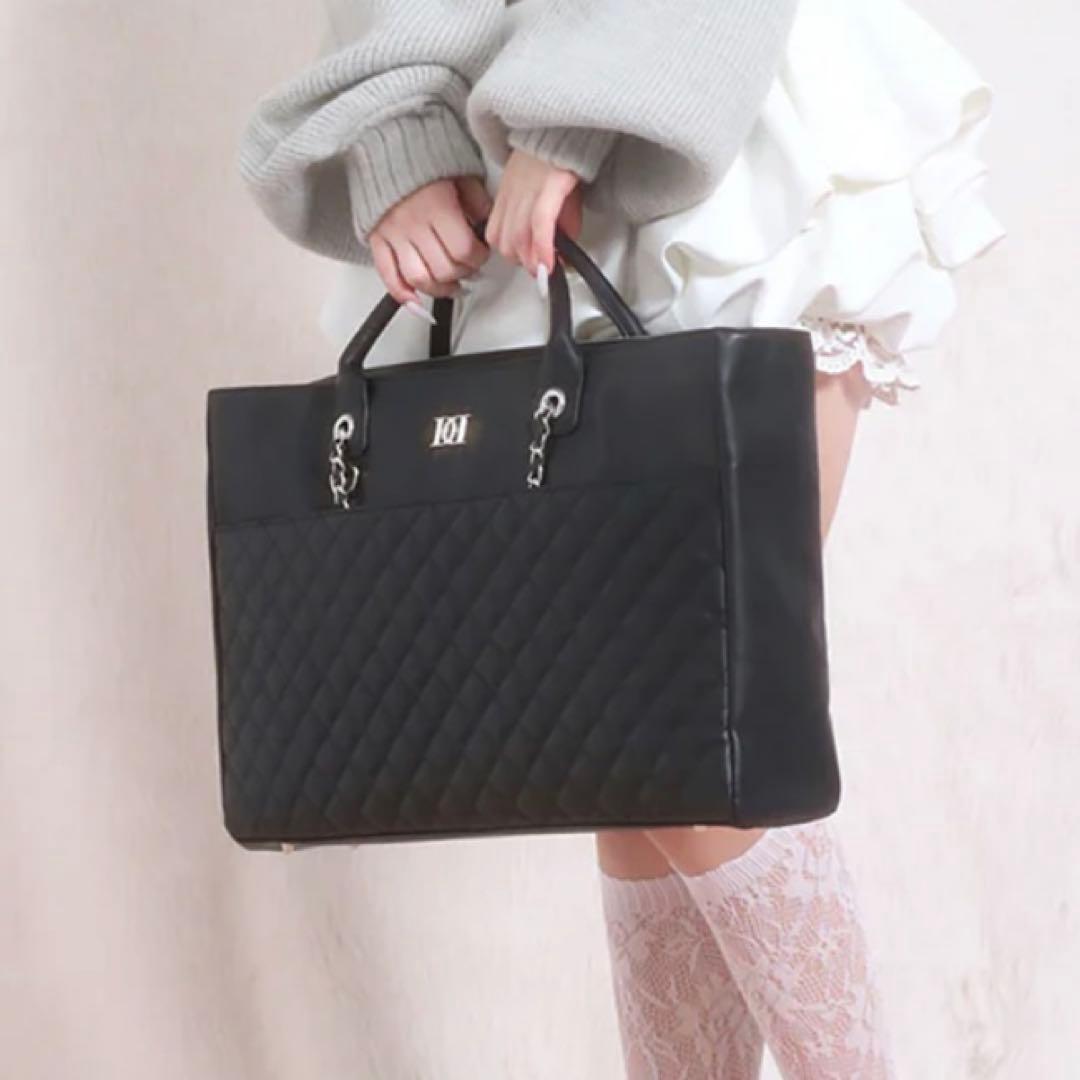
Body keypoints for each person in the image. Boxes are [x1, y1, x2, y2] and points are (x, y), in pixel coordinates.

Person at [237, 2, 1005, 1075]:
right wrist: (398, 129)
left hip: (708, 108)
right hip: (501, 135)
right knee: (638, 757)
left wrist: (583, 112)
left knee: (699, 727)